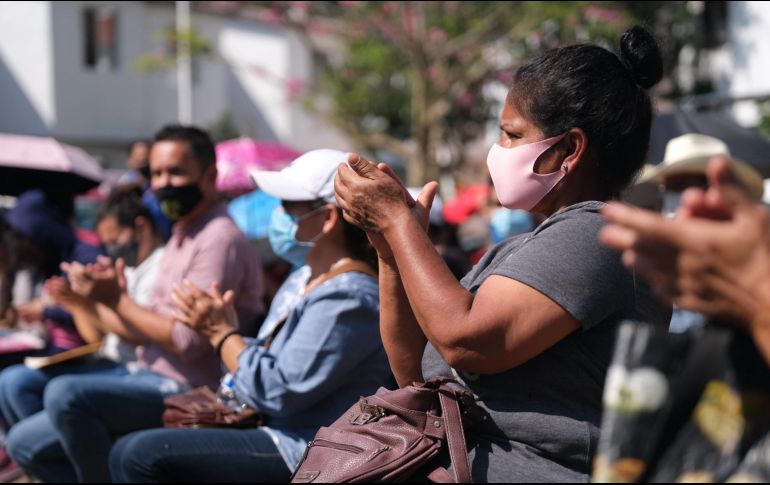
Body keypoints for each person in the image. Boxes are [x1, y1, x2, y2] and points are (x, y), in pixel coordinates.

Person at [333, 26, 672, 482]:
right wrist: (392, 248)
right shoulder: (521, 245)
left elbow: (468, 341)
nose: (499, 151)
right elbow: (414, 372)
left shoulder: (597, 232)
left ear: (569, 148)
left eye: (512, 134)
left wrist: (398, 224)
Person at [108, 149, 392, 483]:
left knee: (141, 455)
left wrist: (222, 334)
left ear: (328, 219)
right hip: (272, 427)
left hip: (308, 447)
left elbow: (279, 392)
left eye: (287, 206)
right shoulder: (303, 277)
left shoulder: (350, 296)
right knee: (129, 449)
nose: (278, 216)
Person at [6, 125, 265, 482]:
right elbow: (142, 333)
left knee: (66, 394)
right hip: (146, 371)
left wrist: (115, 300)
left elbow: (188, 343)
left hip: (190, 388)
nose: (163, 183)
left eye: (175, 172)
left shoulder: (218, 239)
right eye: (156, 173)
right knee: (21, 432)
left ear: (209, 176)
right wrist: (98, 303)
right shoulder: (183, 232)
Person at [0, 186, 166, 431]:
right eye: (106, 243)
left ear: (141, 227)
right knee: (11, 382)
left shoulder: (160, 267)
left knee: (35, 391)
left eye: (115, 241)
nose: (110, 250)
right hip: (109, 361)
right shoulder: (129, 268)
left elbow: (139, 336)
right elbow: (97, 336)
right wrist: (78, 303)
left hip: (136, 371)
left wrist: (107, 300)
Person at [600, 155, 770, 365]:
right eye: (674, 188)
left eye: (697, 186)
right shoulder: (653, 268)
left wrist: (757, 296)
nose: (687, 198)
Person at [635, 133, 765, 334]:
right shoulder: (651, 264)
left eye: (687, 185)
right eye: (671, 188)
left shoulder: (755, 262)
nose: (682, 198)